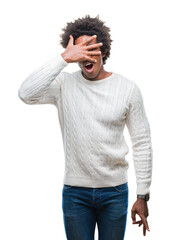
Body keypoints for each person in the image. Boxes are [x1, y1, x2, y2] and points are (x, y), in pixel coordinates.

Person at [18, 15, 153, 240]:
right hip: (75, 194)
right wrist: (63, 59)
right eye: (80, 51)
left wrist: (143, 195)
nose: (85, 56)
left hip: (115, 192)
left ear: (103, 50)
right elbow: (25, 94)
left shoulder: (128, 89)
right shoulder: (64, 85)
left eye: (91, 48)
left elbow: (142, 142)